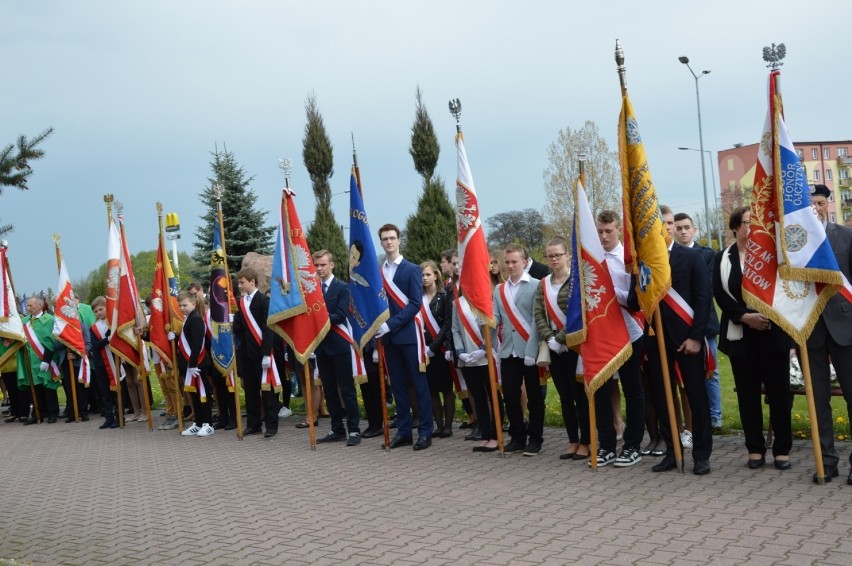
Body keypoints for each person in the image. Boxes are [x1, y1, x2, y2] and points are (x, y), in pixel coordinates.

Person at [714, 207, 792, 470]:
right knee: (747, 396)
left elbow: (783, 290)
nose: (752, 227)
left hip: (773, 334)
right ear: (735, 227)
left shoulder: (773, 255)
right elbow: (720, 295)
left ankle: (782, 449)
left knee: (779, 394)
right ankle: (755, 449)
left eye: (756, 222)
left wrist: (765, 316)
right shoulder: (722, 258)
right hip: (741, 337)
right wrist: (745, 317)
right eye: (747, 222)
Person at [647, 206, 714, 476]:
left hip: (688, 340)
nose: (665, 228)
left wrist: (696, 337)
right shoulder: (645, 262)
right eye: (660, 224)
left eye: (669, 223)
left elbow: (703, 299)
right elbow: (634, 299)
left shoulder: (692, 256)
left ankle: (701, 455)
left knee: (696, 398)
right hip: (656, 341)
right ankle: (673, 452)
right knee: (663, 400)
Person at [807, 184, 852, 484]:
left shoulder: (846, 236)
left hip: (845, 327)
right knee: (818, 400)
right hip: (810, 329)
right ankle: (827, 461)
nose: (816, 208)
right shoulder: (792, 242)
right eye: (810, 204)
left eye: (820, 203)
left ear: (828, 204)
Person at [597, 211, 647, 468]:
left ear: (618, 230)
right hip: (601, 332)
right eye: (600, 231)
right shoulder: (591, 259)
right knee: (602, 389)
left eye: (608, 231)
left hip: (629, 329)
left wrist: (608, 293)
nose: (604, 236)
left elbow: (636, 299)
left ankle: (632, 445)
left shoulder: (629, 260)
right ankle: (606, 444)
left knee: (632, 388)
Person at [376, 223, 433, 450]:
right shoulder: (379, 272)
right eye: (384, 239)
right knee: (398, 386)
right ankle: (404, 431)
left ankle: (426, 432)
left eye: (392, 238)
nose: (389, 242)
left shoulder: (411, 269)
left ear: (399, 240)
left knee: (419, 386)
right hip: (388, 340)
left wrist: (390, 325)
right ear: (381, 242)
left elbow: (415, 304)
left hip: (409, 336)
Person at [533, 236, 588, 460]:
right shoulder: (543, 283)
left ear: (567, 256)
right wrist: (550, 338)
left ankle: (586, 442)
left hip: (575, 346)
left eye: (558, 255)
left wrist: (563, 338)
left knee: (580, 396)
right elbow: (538, 313)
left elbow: (580, 313)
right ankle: (572, 440)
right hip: (554, 347)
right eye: (550, 256)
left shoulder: (577, 281)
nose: (554, 259)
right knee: (565, 397)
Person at [673, 212, 722, 431]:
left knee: (710, 370)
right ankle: (693, 419)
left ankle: (715, 415)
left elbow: (707, 288)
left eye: (686, 227)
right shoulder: (669, 256)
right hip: (679, 322)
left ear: (694, 230)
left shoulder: (707, 254)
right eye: (679, 227)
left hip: (703, 321)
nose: (683, 231)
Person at [493, 243, 543, 455]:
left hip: (529, 349)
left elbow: (536, 320)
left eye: (515, 261)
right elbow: (497, 317)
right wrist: (486, 320)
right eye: (508, 262)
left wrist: (532, 350)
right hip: (507, 350)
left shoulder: (537, 285)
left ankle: (536, 438)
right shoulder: (499, 289)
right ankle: (517, 436)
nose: (511, 266)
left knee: (534, 396)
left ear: (524, 262)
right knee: (511, 396)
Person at [313, 250, 361, 446]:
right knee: (330, 391)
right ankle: (337, 428)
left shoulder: (342, 287)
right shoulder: (313, 289)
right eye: (316, 265)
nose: (319, 269)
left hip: (339, 346)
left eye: (323, 265)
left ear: (332, 265)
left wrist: (317, 320)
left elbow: (340, 315)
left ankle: (354, 430)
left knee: (346, 390)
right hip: (322, 347)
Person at [452, 285, 499, 452]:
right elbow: (455, 330)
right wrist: (460, 353)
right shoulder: (458, 304)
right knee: (478, 397)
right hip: (468, 359)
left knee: (493, 396)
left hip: (486, 357)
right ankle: (485, 434)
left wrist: (484, 348)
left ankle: (496, 435)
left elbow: (492, 327)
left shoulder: (486, 301)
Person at [233, 267, 279, 437]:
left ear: (252, 282)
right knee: (251, 391)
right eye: (239, 283)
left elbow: (268, 329)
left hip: (261, 353)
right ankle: (254, 424)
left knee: (268, 391)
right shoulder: (240, 303)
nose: (240, 286)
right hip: (246, 353)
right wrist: (233, 320)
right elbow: (239, 328)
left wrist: (267, 353)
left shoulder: (263, 301)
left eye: (242, 283)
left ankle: (272, 425)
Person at [420, 260, 455, 438]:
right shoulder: (417, 298)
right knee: (431, 389)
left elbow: (447, 323)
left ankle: (448, 426)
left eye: (428, 274)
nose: (425, 278)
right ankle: (438, 426)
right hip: (423, 350)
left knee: (446, 389)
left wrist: (434, 346)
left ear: (435, 275)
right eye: (422, 275)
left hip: (441, 349)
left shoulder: (444, 295)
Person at [175, 291, 214, 437]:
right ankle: (198, 423)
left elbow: (198, 343)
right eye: (180, 305)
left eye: (185, 305)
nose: (182, 308)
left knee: (203, 393)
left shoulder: (196, 318)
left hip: (198, 364)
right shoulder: (188, 318)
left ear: (193, 303)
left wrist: (192, 364)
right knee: (194, 394)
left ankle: (207, 423)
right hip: (190, 364)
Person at [21, 296, 60, 424]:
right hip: (31, 361)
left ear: (39, 306)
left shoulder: (49, 320)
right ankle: (38, 413)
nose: (28, 308)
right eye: (27, 306)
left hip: (46, 359)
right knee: (36, 388)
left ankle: (52, 413)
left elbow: (52, 342)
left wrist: (46, 360)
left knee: (48, 387)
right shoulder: (25, 321)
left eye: (30, 305)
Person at [89, 296, 118, 429]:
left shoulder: (112, 324)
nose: (99, 313)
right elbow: (95, 345)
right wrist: (107, 339)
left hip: (113, 360)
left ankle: (119, 415)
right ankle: (109, 417)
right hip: (100, 362)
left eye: (101, 309)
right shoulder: (94, 328)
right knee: (105, 391)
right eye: (96, 311)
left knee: (116, 390)